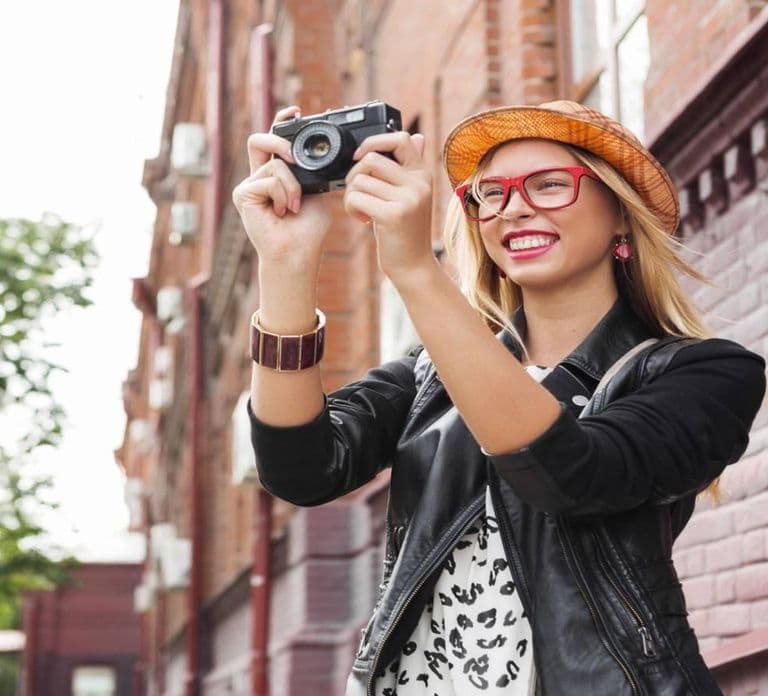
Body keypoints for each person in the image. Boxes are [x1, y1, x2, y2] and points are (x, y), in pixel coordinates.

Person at [233, 100, 766, 696]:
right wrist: (284, 265)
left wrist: (416, 271)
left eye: (550, 184)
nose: (513, 208)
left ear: (621, 213)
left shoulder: (706, 373)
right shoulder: (430, 375)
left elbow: (568, 472)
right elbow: (301, 469)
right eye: (492, 193)